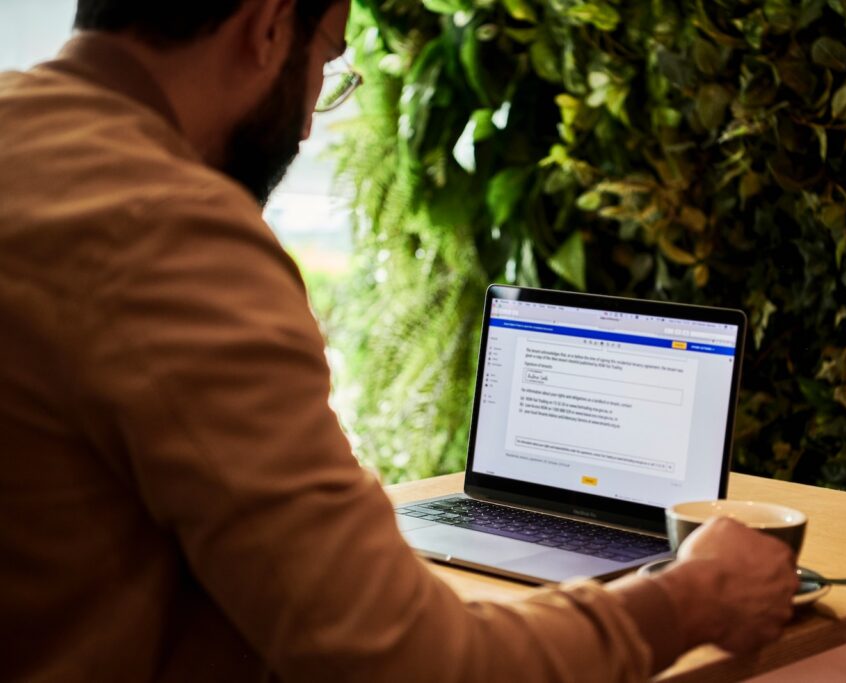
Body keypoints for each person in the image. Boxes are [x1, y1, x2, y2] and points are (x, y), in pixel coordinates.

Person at [0, 1, 798, 680]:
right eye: (328, 63)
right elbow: (408, 663)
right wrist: (686, 599)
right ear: (269, 28)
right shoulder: (167, 230)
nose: (311, 119)